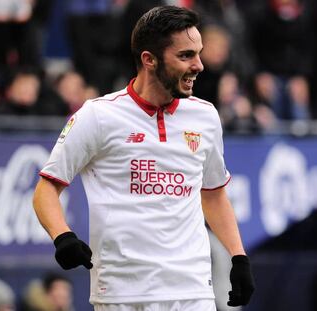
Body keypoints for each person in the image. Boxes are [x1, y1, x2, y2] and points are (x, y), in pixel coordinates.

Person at [33, 5, 254, 311]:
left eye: (199, 53)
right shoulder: (98, 115)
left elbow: (214, 194)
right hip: (122, 294)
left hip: (192, 291)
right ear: (149, 60)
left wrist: (238, 256)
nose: (199, 65)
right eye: (186, 55)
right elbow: (46, 190)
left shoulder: (205, 116)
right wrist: (63, 237)